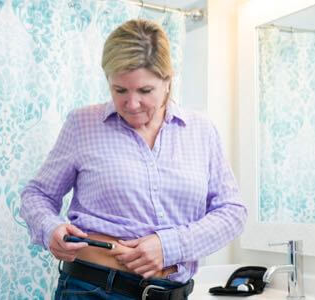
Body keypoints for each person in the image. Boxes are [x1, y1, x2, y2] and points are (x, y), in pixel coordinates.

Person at [20, 19, 247, 300]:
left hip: (172, 292)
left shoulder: (201, 131)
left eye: (144, 91)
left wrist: (169, 246)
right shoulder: (83, 124)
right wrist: (50, 228)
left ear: (167, 80)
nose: (132, 103)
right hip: (92, 290)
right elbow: (37, 194)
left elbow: (232, 212)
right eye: (120, 90)